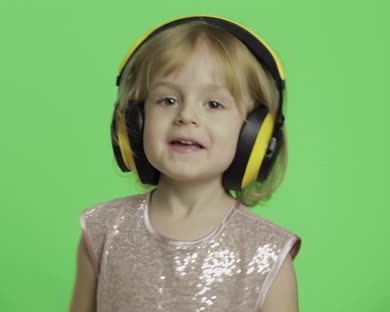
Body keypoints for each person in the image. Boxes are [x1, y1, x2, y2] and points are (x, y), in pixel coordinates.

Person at [70, 15, 302, 312]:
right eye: (167, 100)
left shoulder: (267, 252)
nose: (186, 116)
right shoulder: (103, 230)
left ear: (254, 135)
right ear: (133, 124)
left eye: (213, 104)